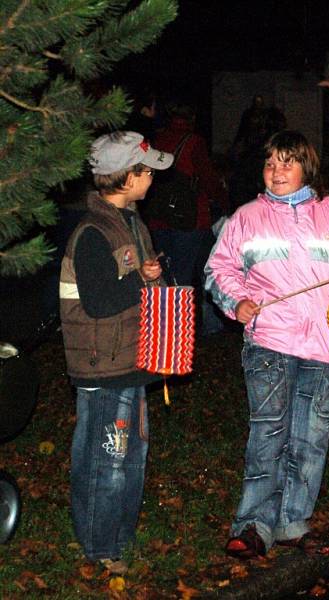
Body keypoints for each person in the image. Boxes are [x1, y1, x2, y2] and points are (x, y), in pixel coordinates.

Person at [205, 130, 329, 559]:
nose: (277, 171)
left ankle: (294, 522)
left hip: (326, 346)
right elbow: (219, 267)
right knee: (268, 434)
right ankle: (253, 525)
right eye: (271, 163)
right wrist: (235, 300)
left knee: (311, 438)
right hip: (270, 342)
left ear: (306, 168)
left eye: (287, 162)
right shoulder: (246, 218)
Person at [59, 131, 173, 575]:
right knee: (106, 460)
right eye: (147, 172)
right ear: (127, 177)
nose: (153, 179)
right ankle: (99, 547)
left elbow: (132, 284)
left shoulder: (131, 223)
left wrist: (151, 275)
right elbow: (100, 301)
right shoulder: (93, 232)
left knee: (130, 460)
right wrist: (141, 282)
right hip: (103, 367)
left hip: (131, 360)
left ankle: (117, 540)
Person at [151, 103, 228, 334]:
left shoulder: (157, 139)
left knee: (162, 272)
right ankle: (179, 332)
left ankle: (161, 328)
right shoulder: (193, 142)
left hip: (159, 216)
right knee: (187, 274)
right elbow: (207, 178)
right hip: (189, 218)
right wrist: (224, 202)